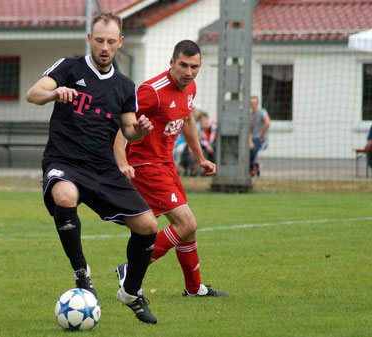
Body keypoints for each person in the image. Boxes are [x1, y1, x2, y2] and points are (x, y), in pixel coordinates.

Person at [26, 12, 158, 324]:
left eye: (111, 42)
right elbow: (33, 94)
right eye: (99, 40)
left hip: (103, 168)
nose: (104, 46)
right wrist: (54, 93)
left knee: (148, 226)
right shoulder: (69, 68)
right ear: (90, 39)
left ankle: (131, 292)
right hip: (64, 161)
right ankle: (82, 275)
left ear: (120, 43)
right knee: (64, 196)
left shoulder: (125, 86)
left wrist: (141, 128)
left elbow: (129, 132)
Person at [114, 40, 228, 298]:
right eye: (183, 65)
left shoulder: (191, 88)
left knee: (187, 228)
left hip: (166, 164)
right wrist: (122, 161)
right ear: (172, 63)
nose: (189, 72)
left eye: (195, 66)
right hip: (145, 165)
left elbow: (187, 119)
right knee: (186, 224)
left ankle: (193, 288)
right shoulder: (151, 91)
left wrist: (199, 158)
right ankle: (130, 269)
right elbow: (122, 123)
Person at [249, 96, 270, 176]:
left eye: (255, 103)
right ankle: (256, 165)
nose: (253, 105)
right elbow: (249, 131)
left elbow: (267, 123)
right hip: (252, 139)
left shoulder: (262, 112)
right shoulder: (249, 116)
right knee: (248, 149)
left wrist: (262, 135)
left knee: (253, 150)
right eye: (252, 104)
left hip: (261, 139)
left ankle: (252, 168)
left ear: (258, 104)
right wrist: (250, 141)